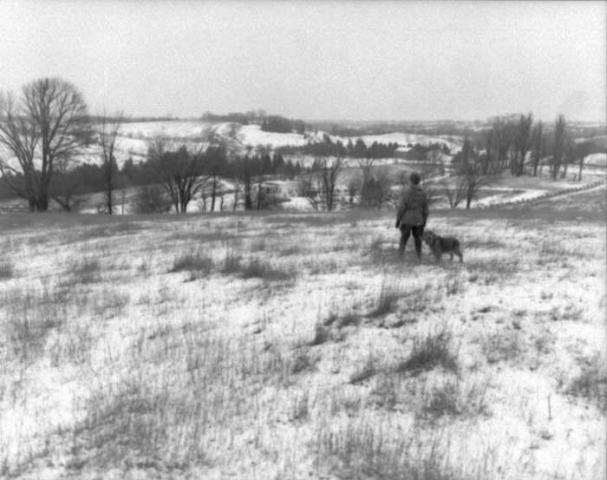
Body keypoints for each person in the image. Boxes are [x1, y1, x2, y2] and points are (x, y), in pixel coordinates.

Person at [395, 172, 429, 260]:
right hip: (419, 219)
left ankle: (400, 257)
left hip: (407, 219)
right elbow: (425, 208)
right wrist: (424, 219)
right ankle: (419, 257)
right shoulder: (423, 193)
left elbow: (402, 207)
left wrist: (398, 219)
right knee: (418, 239)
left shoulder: (405, 192)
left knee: (403, 239)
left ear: (410, 181)